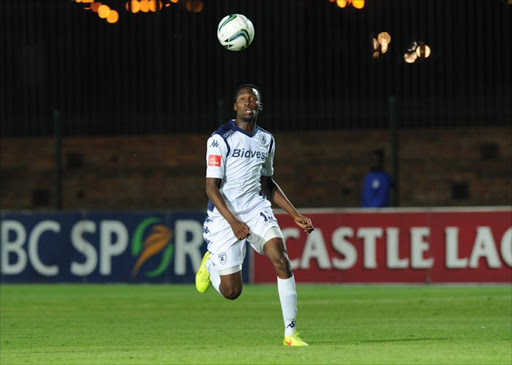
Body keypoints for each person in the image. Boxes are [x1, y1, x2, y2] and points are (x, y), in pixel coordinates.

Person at [195, 84, 314, 347]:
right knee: (231, 292)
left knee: (281, 259)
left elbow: (268, 183)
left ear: (259, 106)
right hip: (224, 216)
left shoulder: (266, 140)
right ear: (235, 106)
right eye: (242, 99)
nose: (248, 103)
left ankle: (290, 333)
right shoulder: (220, 139)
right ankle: (212, 263)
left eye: (253, 99)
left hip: (256, 208)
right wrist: (234, 222)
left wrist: (294, 213)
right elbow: (210, 187)